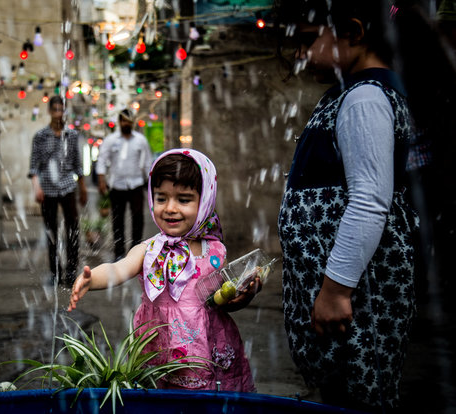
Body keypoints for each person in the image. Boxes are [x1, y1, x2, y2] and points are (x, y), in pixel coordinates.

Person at [275, 1, 419, 411]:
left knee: (358, 391)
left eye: (308, 40)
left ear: (353, 34)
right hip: (344, 290)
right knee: (340, 391)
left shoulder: (365, 99)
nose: (301, 54)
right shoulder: (349, 96)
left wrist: (337, 288)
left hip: (357, 294)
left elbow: (371, 201)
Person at [69, 149, 258, 392]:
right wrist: (92, 279)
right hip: (158, 347)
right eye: (161, 198)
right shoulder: (148, 249)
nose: (170, 208)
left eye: (183, 199)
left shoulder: (214, 252)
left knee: (205, 404)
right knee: (160, 402)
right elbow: (120, 268)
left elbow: (220, 303)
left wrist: (245, 295)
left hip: (205, 348)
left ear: (205, 201)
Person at [28, 96, 87, 285]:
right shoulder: (40, 136)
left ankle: (71, 270)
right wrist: (36, 188)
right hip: (47, 188)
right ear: (49, 111)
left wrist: (82, 188)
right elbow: (34, 166)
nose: (58, 114)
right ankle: (55, 271)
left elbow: (78, 164)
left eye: (61, 110)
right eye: (54, 110)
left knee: (73, 229)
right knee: (51, 230)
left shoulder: (72, 136)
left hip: (68, 186)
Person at [96, 109, 153, 260]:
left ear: (132, 122)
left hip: (136, 184)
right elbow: (101, 160)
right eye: (123, 121)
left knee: (138, 218)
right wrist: (101, 180)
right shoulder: (111, 140)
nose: (126, 123)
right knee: (117, 219)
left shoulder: (141, 140)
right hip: (116, 185)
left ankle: (136, 251)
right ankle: (119, 252)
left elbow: (147, 163)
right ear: (119, 122)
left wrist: (150, 184)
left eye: (128, 121)